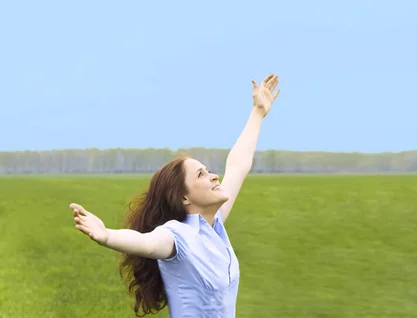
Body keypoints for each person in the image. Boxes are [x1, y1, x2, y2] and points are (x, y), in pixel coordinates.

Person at [69, 74, 280, 318]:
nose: (213, 176)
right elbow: (146, 243)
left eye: (209, 170)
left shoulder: (215, 226)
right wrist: (107, 236)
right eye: (201, 174)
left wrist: (258, 113)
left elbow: (237, 166)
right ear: (184, 199)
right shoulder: (177, 236)